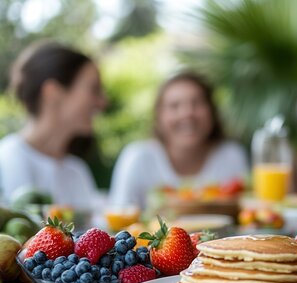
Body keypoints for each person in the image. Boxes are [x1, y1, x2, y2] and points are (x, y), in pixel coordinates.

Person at [109, 72, 249, 208]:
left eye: (197, 103)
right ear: (159, 117)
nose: (187, 113)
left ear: (212, 111)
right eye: (174, 106)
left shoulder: (231, 155)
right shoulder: (137, 158)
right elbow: (120, 217)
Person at [0, 41, 107, 209]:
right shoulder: (7, 159)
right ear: (52, 92)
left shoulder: (77, 171)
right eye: (94, 89)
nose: (102, 102)